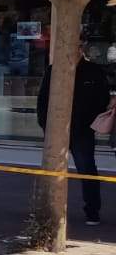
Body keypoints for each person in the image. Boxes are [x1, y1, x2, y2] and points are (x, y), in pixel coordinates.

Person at [38, 44, 112, 225]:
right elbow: (43, 99)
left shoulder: (94, 71)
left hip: (82, 130)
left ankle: (92, 211)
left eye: (75, 48)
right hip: (56, 129)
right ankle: (46, 210)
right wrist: (45, 125)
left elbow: (103, 99)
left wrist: (90, 124)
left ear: (81, 50)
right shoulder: (53, 70)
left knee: (86, 169)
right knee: (51, 170)